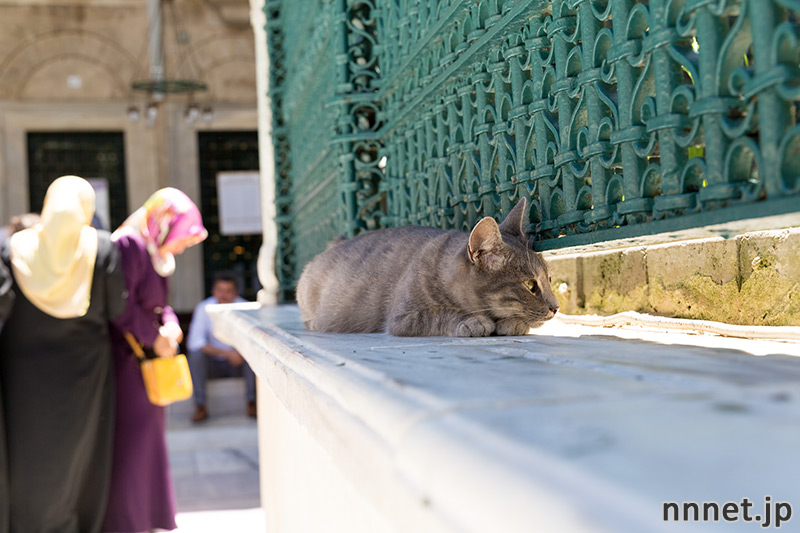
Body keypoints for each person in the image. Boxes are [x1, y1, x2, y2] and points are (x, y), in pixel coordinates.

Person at [0, 176, 127, 532]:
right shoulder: (101, 248)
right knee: (80, 456)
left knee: (27, 454)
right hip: (85, 374)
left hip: (21, 375)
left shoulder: (13, 249)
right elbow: (116, 309)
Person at [102, 188, 207, 533]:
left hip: (149, 363)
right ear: (164, 224)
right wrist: (154, 340)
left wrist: (172, 326)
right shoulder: (130, 246)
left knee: (149, 447)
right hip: (128, 363)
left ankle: (145, 520)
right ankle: (127, 523)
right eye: (182, 239)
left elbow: (160, 307)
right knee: (132, 448)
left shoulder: (154, 251)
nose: (182, 247)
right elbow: (120, 305)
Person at [187, 272, 256, 422]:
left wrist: (239, 353)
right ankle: (200, 406)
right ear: (213, 291)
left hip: (239, 362)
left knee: (254, 356)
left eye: (228, 291)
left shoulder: (245, 307)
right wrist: (227, 353)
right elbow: (195, 342)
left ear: (236, 292)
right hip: (213, 363)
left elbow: (252, 341)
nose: (223, 295)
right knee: (195, 356)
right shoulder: (203, 307)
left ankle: (252, 403)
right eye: (220, 290)